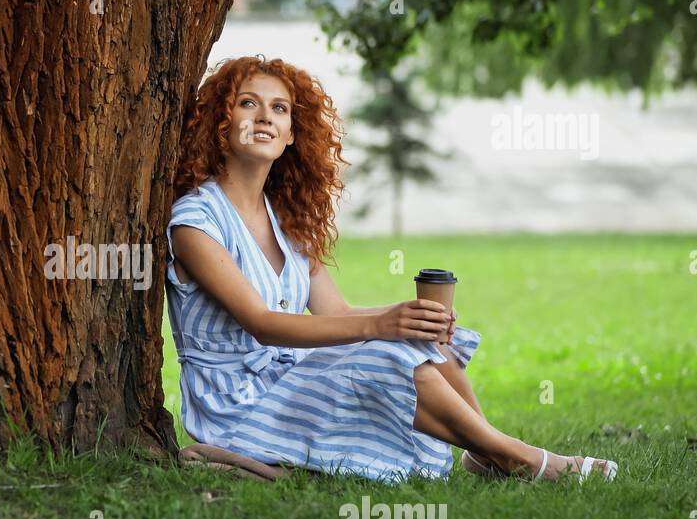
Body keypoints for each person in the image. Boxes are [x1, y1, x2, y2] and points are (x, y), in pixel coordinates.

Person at [166, 56, 618, 485]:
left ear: (290, 135)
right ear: (221, 124)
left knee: (422, 337)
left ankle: (485, 453)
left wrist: (409, 319)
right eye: (249, 103)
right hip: (237, 405)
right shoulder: (196, 221)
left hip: (289, 381)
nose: (265, 116)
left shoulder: (287, 220)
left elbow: (334, 312)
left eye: (279, 109)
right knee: (389, 352)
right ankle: (522, 457)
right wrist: (382, 325)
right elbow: (262, 325)